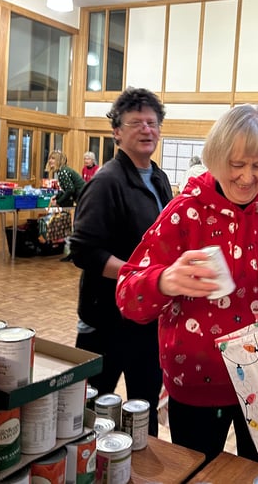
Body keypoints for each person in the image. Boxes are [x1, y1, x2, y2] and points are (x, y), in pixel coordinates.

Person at [115, 104, 258, 464]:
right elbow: (128, 294)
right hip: (198, 380)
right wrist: (166, 280)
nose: (247, 177)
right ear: (215, 159)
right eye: (236, 165)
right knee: (197, 470)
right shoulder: (185, 212)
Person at [68, 87, 172, 437]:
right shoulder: (106, 181)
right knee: (91, 410)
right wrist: (135, 273)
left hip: (148, 316)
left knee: (144, 407)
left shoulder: (158, 177)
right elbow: (83, 250)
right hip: (107, 318)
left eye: (152, 122)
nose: (147, 129)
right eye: (136, 122)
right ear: (117, 132)